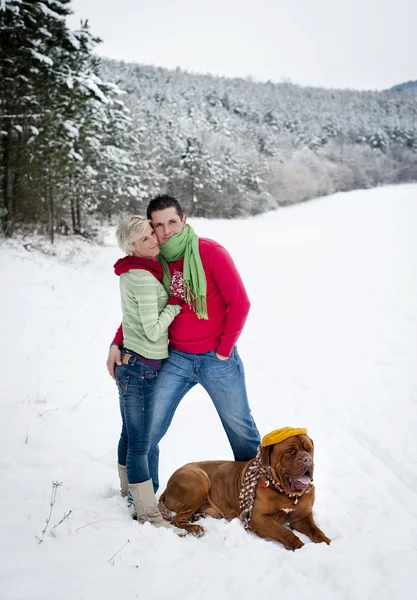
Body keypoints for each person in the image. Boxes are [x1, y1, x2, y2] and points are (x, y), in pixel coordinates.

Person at [107, 195, 261, 492]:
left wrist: (224, 350)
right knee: (148, 433)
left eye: (172, 223)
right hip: (175, 358)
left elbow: (239, 303)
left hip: (218, 358)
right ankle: (144, 498)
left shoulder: (210, 252)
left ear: (184, 220)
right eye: (158, 225)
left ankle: (256, 494)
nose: (165, 232)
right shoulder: (154, 261)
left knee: (242, 431)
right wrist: (117, 342)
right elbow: (139, 313)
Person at [113, 215, 184, 531]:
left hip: (134, 364)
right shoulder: (141, 277)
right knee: (141, 442)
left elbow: (132, 320)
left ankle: (130, 493)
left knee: (131, 433)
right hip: (141, 368)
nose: (154, 240)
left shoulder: (138, 271)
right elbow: (154, 330)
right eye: (145, 239)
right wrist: (175, 302)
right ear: (132, 247)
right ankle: (147, 512)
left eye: (151, 234)